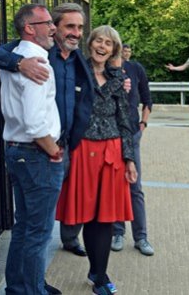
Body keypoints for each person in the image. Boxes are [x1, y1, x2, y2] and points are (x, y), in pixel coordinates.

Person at [0, 3, 90, 259]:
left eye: (80, 27)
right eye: (69, 26)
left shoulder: (79, 61)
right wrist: (20, 63)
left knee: (38, 222)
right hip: (41, 149)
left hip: (62, 145)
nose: (75, 33)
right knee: (37, 230)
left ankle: (38, 273)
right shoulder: (38, 56)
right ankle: (34, 284)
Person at [56, 25, 137, 295]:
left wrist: (130, 159)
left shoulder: (119, 77)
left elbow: (125, 121)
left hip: (112, 153)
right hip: (81, 151)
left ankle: (99, 275)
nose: (102, 46)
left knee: (104, 218)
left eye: (109, 43)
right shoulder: (75, 70)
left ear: (114, 49)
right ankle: (95, 269)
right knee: (87, 215)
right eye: (98, 41)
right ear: (89, 44)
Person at [0, 4, 65, 295]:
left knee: (24, 228)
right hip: (37, 154)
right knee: (38, 233)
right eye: (47, 23)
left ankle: (20, 288)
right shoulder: (37, 60)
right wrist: (53, 150)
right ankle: (32, 290)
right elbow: (35, 120)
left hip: (17, 151)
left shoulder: (16, 58)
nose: (54, 28)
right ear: (29, 28)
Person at [111, 44, 154, 256]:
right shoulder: (104, 70)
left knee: (135, 186)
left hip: (132, 133)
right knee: (115, 185)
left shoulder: (136, 68)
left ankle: (141, 237)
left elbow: (147, 99)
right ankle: (117, 232)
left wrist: (143, 124)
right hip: (110, 136)